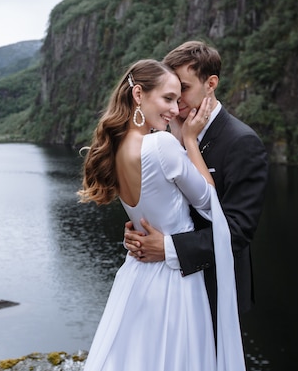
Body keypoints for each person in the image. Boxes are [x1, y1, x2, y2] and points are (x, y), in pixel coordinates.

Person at [78, 59, 244, 370]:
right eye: (167, 99)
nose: (174, 109)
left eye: (177, 99)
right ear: (138, 94)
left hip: (137, 275)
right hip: (174, 279)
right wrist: (191, 141)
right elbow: (210, 203)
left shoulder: (112, 148)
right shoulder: (161, 145)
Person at [124, 41, 269, 332]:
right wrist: (138, 231)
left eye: (185, 90)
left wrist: (166, 248)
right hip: (166, 288)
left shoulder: (241, 142)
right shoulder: (163, 132)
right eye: (172, 92)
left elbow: (238, 231)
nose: (176, 104)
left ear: (211, 83)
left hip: (216, 288)